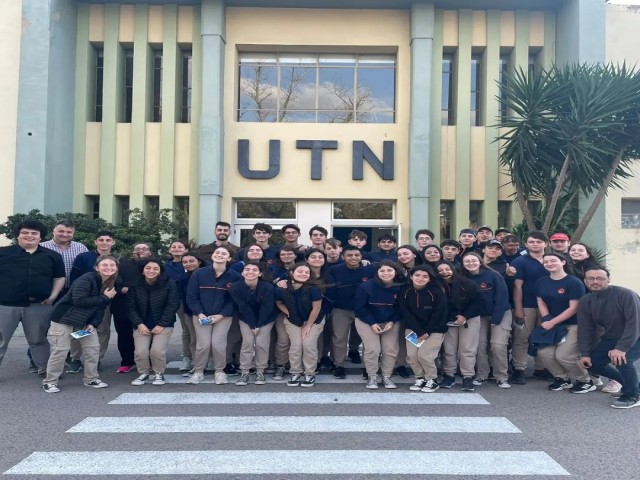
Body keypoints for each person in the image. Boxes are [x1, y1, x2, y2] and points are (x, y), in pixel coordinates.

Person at [41, 255, 118, 393]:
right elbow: (80, 301)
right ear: (96, 267)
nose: (108, 268)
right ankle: (50, 381)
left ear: (116, 268)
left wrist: (93, 323)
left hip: (84, 323)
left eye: (112, 265)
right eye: (104, 265)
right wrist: (105, 297)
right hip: (64, 319)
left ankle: (91, 379)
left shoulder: (110, 283)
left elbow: (101, 307)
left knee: (92, 348)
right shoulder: (86, 279)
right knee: (61, 350)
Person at [0, 220, 65, 375]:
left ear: (40, 237)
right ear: (17, 236)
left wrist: (53, 296)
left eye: (34, 233)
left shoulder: (52, 256)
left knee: (38, 340)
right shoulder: (3, 253)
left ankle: (46, 370)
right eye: (25, 233)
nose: (29, 236)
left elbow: (59, 278)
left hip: (39, 306)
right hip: (6, 306)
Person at [578, 267, 640, 409]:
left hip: (636, 334)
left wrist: (621, 348)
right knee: (594, 363)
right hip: (613, 336)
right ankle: (633, 386)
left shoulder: (626, 295)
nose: (595, 281)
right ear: (585, 281)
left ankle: (633, 395)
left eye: (600, 278)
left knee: (623, 360)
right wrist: (585, 354)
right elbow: (586, 329)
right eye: (591, 278)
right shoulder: (585, 301)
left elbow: (634, 323)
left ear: (608, 280)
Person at [535, 253, 593, 393]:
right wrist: (547, 319)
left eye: (553, 260)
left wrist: (552, 322)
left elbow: (574, 308)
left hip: (574, 324)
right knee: (544, 353)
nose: (549, 263)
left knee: (565, 355)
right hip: (553, 324)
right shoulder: (542, 281)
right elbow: (540, 301)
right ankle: (562, 379)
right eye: (546, 261)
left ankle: (585, 381)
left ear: (563, 262)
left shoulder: (574, 282)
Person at [185, 246, 241, 385]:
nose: (220, 255)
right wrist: (199, 313)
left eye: (224, 253)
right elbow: (191, 296)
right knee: (203, 345)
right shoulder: (199, 273)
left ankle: (219, 371)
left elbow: (233, 299)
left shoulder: (235, 276)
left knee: (218, 344)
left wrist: (222, 315)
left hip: (223, 316)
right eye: (217, 252)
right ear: (212, 256)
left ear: (229, 258)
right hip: (201, 315)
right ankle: (198, 371)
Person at [67, 230, 118, 373]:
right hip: (84, 300)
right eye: (101, 240)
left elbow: (119, 280)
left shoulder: (117, 259)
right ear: (96, 242)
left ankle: (96, 358)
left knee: (102, 329)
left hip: (105, 300)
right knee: (81, 329)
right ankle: (75, 358)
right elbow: (74, 278)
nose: (104, 243)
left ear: (113, 242)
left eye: (108, 240)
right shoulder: (84, 257)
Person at [326, 246, 376, 379]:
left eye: (356, 255)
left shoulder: (369, 269)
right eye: (349, 255)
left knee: (366, 339)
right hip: (341, 309)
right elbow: (330, 289)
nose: (353, 257)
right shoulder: (334, 270)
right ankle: (339, 365)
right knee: (339, 338)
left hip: (363, 309)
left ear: (361, 256)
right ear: (343, 257)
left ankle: (368, 367)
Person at [128, 260, 180, 386]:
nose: (151, 271)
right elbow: (130, 307)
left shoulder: (169, 284)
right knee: (141, 352)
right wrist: (139, 324)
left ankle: (158, 373)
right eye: (148, 268)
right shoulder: (135, 285)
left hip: (163, 324)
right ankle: (143, 373)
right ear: (142, 270)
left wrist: (162, 324)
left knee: (157, 351)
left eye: (155, 269)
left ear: (160, 271)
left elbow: (172, 305)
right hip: (141, 324)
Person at [398, 265, 448, 393]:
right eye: (417, 275)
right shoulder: (405, 290)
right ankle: (420, 378)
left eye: (425, 276)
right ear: (411, 276)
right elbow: (405, 312)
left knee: (425, 355)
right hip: (413, 329)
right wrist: (419, 331)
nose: (420, 278)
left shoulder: (436, 291)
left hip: (434, 329)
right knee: (412, 356)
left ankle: (432, 379)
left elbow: (439, 313)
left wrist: (427, 331)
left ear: (429, 279)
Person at [510, 230, 552, 384]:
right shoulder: (520, 262)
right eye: (532, 242)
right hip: (527, 305)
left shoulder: (552, 260)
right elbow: (517, 286)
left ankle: (541, 368)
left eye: (539, 241)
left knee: (544, 338)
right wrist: (519, 309)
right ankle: (519, 369)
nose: (535, 244)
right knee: (521, 338)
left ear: (546, 244)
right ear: (526, 244)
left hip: (549, 307)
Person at [354, 261, 402, 389]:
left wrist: (392, 321)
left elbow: (401, 308)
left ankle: (386, 376)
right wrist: (372, 323)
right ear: (377, 273)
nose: (386, 273)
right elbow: (360, 308)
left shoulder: (401, 287)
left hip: (391, 320)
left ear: (395, 272)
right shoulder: (366, 286)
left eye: (389, 270)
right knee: (373, 349)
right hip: (366, 320)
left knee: (390, 349)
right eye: (382, 271)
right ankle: (372, 376)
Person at [275, 263, 325, 387]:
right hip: (293, 320)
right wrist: (289, 313)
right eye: (300, 271)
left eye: (306, 272)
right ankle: (295, 372)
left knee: (308, 345)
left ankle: (309, 373)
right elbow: (278, 302)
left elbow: (316, 308)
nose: (303, 274)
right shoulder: (284, 286)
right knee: (296, 346)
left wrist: (308, 326)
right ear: (292, 273)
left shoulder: (314, 288)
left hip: (313, 320)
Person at [436, 260, 482, 390]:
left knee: (467, 349)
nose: (444, 272)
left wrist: (464, 315)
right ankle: (449, 375)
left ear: (453, 269)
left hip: (469, 318)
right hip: (449, 320)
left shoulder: (467, 283)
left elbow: (478, 302)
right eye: (440, 270)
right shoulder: (436, 285)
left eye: (447, 269)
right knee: (449, 349)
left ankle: (467, 376)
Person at [107, 242, 152, 375]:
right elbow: (114, 283)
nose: (141, 251)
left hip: (147, 306)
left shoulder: (154, 266)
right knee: (124, 334)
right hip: (122, 304)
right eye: (137, 249)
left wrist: (131, 288)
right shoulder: (122, 266)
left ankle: (147, 360)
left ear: (150, 253)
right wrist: (124, 289)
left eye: (144, 249)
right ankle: (127, 361)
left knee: (146, 333)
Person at [229, 262, 277, 386]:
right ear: (242, 272)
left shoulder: (268, 287)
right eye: (247, 269)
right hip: (245, 318)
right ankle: (244, 371)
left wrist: (259, 325)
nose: (250, 272)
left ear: (260, 273)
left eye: (255, 270)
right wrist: (252, 325)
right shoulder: (235, 287)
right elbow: (243, 307)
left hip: (265, 318)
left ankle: (260, 371)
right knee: (248, 342)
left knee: (261, 343)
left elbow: (267, 308)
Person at [40, 220, 89, 298]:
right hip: (48, 291)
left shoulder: (81, 248)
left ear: (73, 233)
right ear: (54, 231)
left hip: (74, 291)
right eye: (61, 231)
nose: (65, 234)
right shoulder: (41, 247)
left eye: (69, 232)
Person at [175, 253, 206, 373]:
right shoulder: (182, 279)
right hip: (190, 312)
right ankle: (197, 363)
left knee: (209, 340)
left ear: (199, 261)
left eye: (191, 261)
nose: (188, 264)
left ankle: (211, 360)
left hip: (211, 312)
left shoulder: (209, 274)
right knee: (194, 338)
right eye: (185, 262)